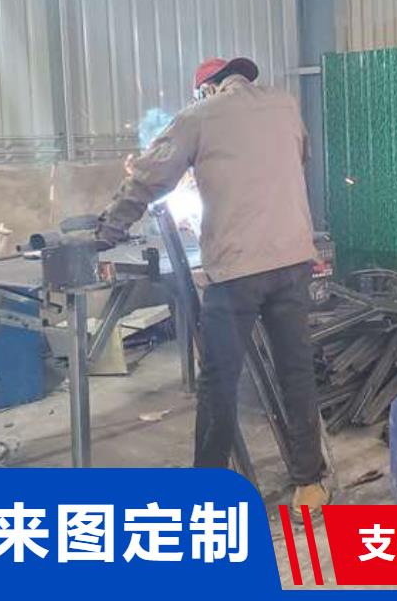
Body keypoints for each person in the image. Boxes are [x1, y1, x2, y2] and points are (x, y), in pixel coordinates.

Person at [96, 56, 329, 515]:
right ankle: (310, 483)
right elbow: (293, 160)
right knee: (296, 372)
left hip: (238, 270)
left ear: (206, 89)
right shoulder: (285, 104)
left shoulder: (198, 115)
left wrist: (109, 228)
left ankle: (207, 488)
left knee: (219, 380)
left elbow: (149, 178)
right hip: (292, 258)